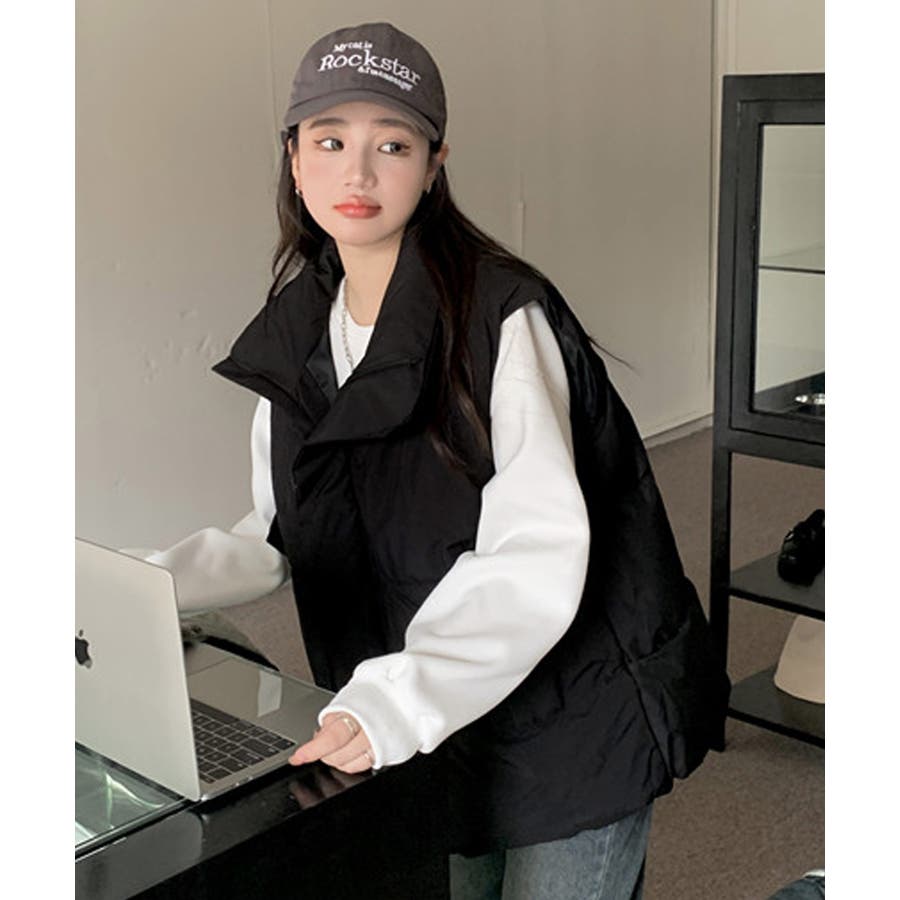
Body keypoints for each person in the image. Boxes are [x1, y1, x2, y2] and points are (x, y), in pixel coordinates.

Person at [149, 22, 729, 899]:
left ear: (433, 165)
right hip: (438, 711)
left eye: (393, 145)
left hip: (572, 710)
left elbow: (536, 553)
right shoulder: (298, 330)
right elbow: (276, 532)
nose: (358, 174)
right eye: (330, 142)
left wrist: (394, 701)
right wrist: (141, 586)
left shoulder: (502, 316)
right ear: (294, 159)